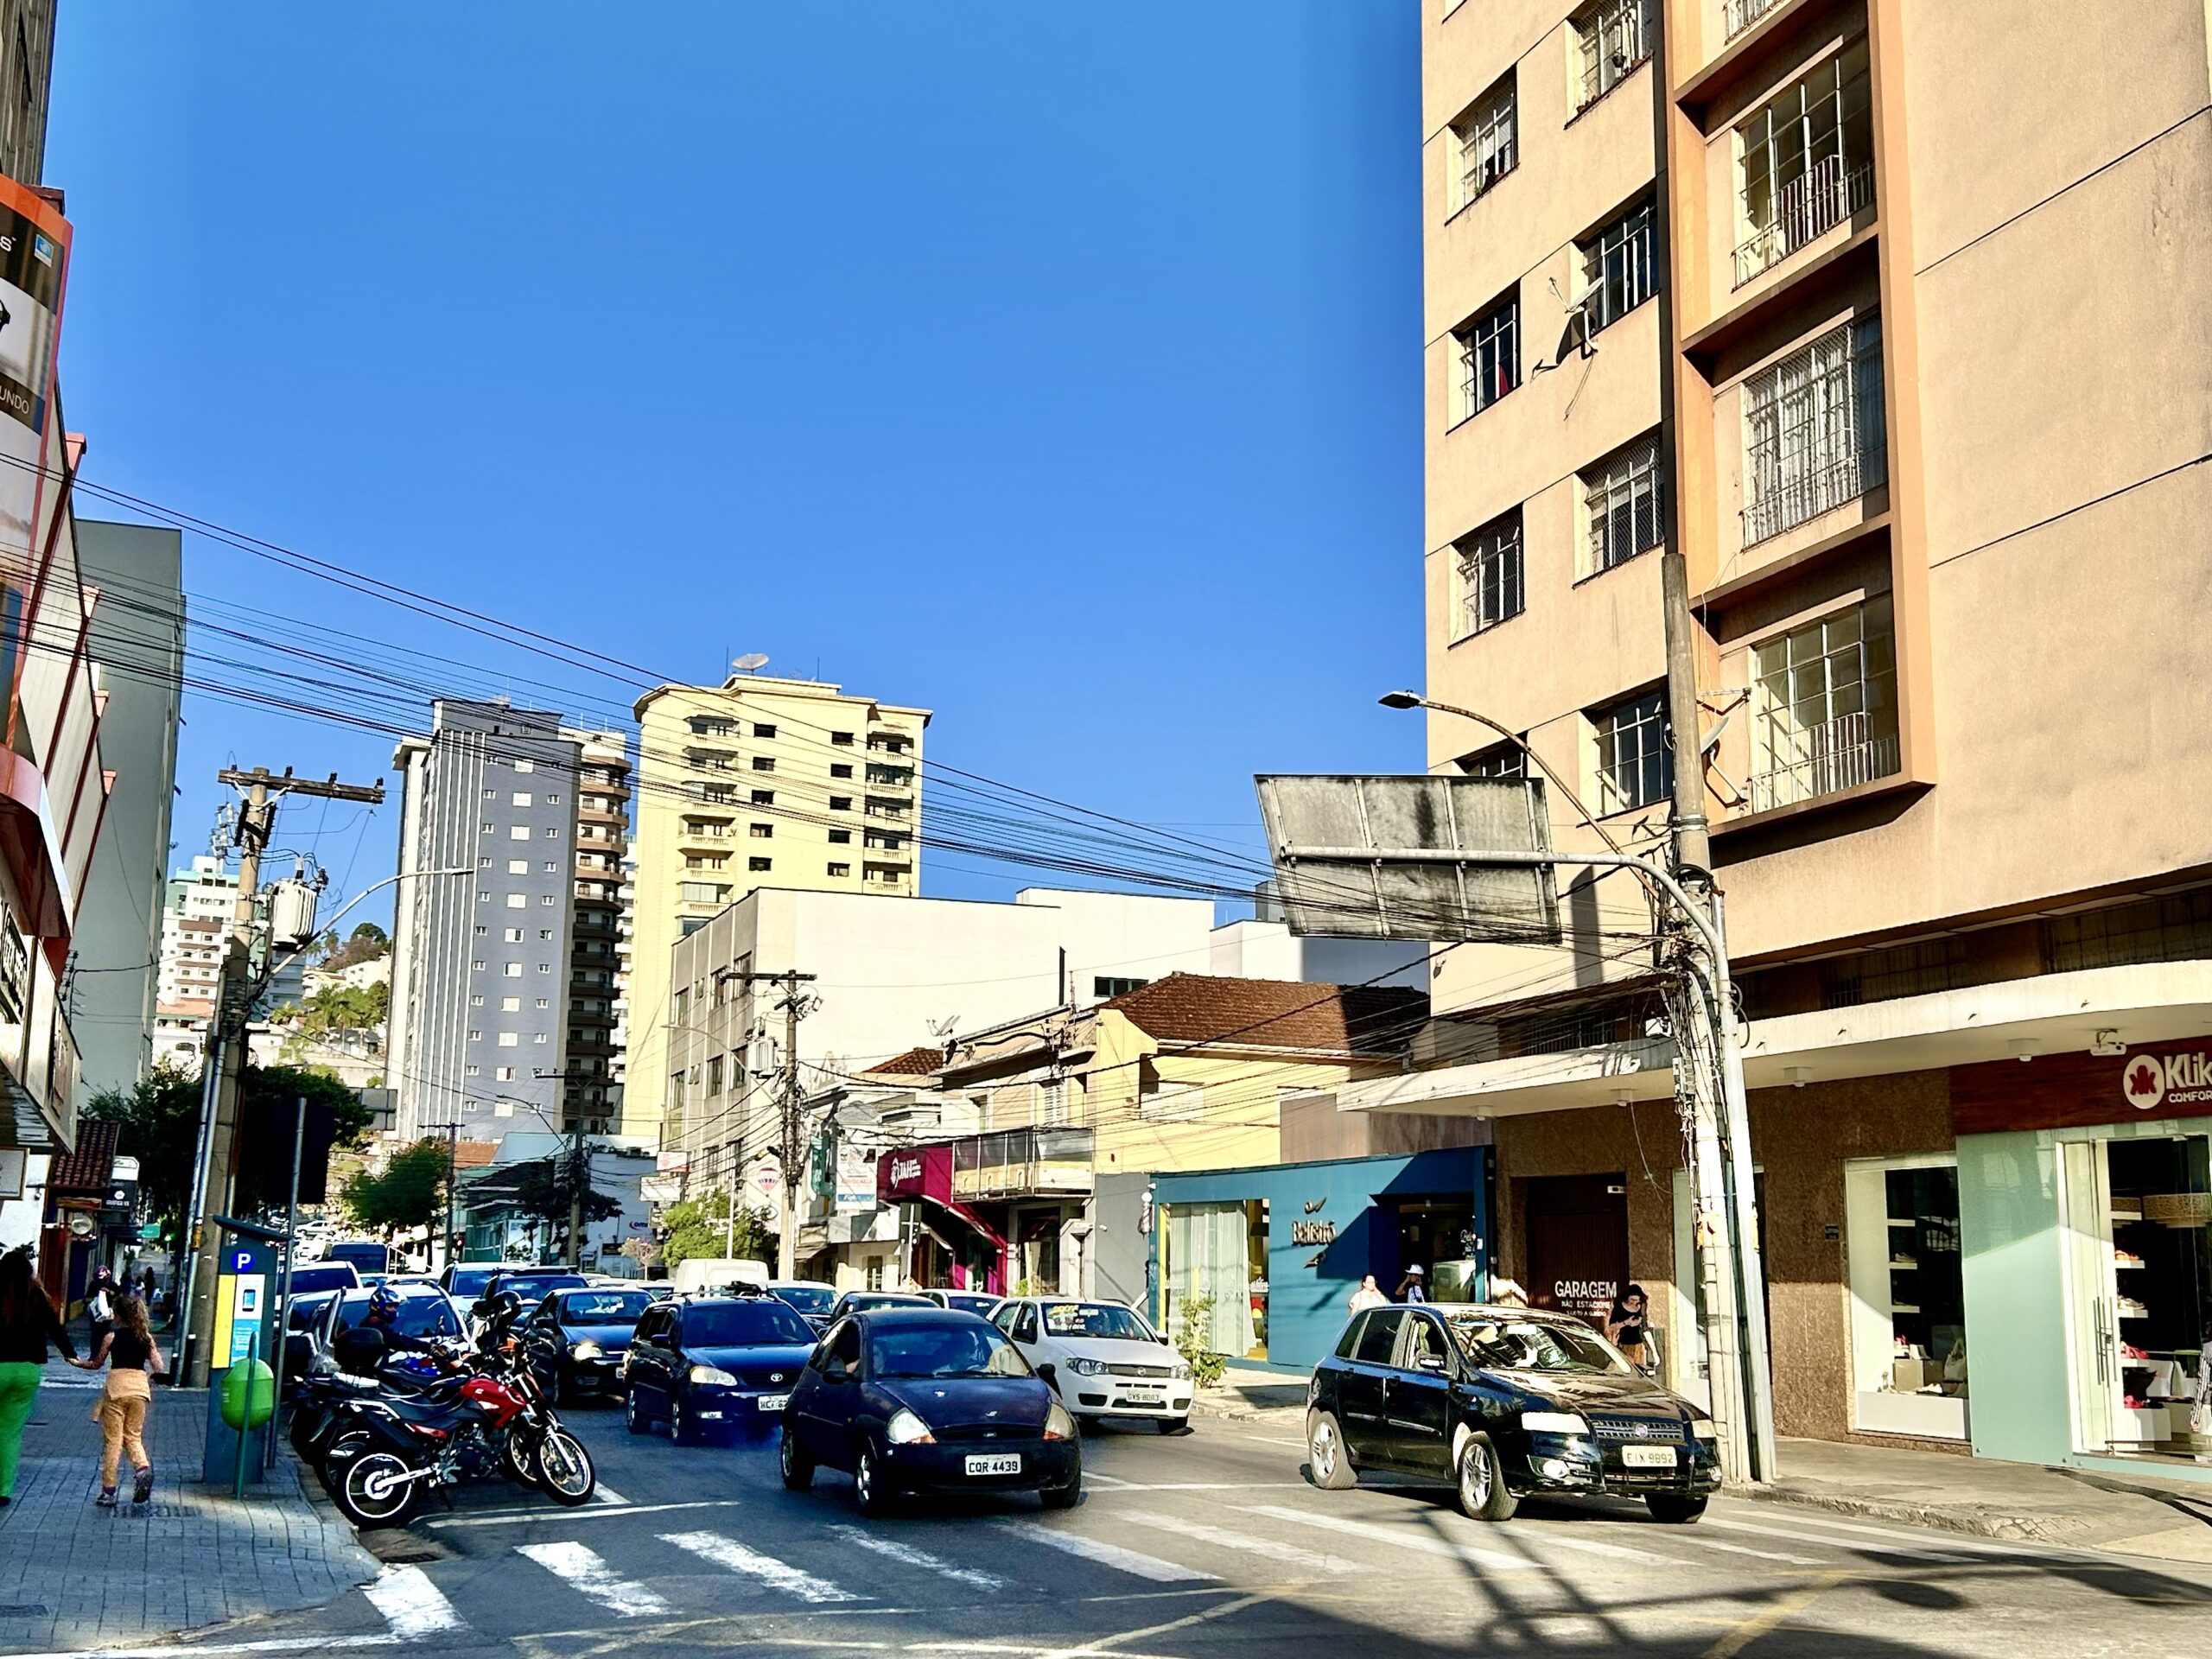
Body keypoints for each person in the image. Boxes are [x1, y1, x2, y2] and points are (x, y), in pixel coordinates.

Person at [0, 1247, 79, 1508]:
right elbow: (55, 1328)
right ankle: (4, 1490)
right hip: (28, 1372)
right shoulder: (37, 1297)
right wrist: (71, 1355)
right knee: (10, 1432)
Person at [80, 1294, 161, 1507]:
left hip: (117, 1391)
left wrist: (77, 1363)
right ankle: (142, 1469)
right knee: (133, 1436)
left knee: (113, 1442)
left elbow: (97, 1363)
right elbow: (159, 1366)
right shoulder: (146, 1338)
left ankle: (108, 1492)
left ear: (118, 1315)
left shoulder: (111, 1337)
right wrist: (148, 1376)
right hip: (139, 1390)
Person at [330, 1286, 441, 1377]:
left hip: (381, 1371)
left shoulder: (377, 1323)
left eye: (395, 1307)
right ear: (375, 1306)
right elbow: (398, 1339)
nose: (394, 1310)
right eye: (390, 1306)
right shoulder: (373, 1324)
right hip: (374, 1376)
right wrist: (429, 1348)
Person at [1606, 1284, 1650, 1368]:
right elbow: (1611, 1327)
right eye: (1632, 1300)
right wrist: (1626, 1323)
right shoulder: (1619, 1307)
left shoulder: (1641, 1306)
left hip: (1638, 1345)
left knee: (1639, 1370)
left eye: (1637, 1301)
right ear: (1627, 1297)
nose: (1634, 1303)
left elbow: (1645, 1327)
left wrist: (1653, 1350)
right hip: (1623, 1344)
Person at [86, 1267, 117, 1356]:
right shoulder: (93, 1284)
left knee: (105, 1333)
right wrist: (95, 1299)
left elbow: (118, 1295)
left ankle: (103, 1353)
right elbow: (87, 1298)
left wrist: (109, 1292)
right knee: (95, 1333)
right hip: (95, 1313)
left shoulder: (112, 1285)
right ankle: (94, 1354)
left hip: (107, 1313)